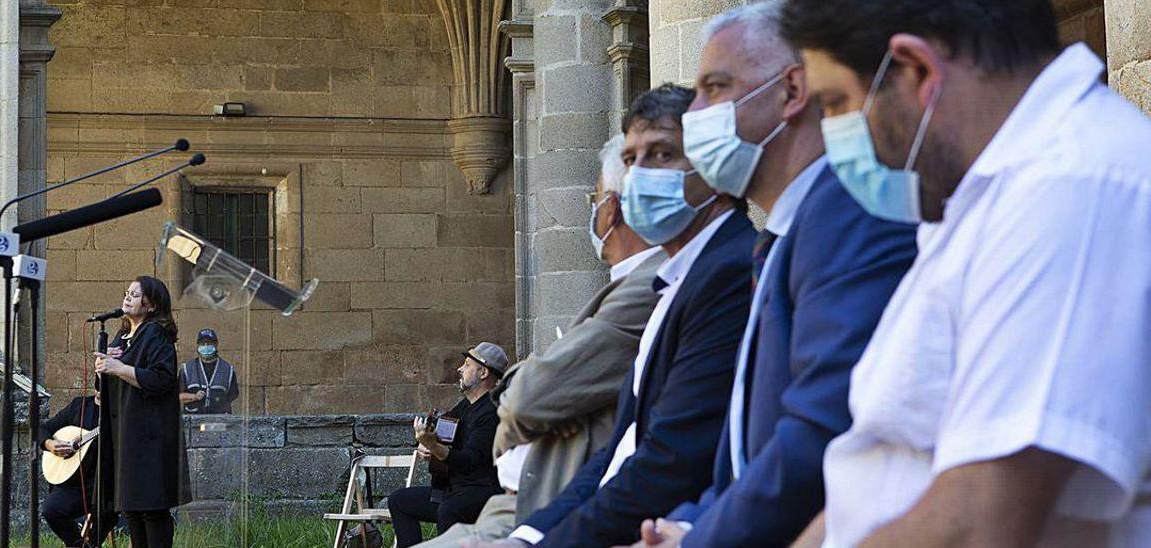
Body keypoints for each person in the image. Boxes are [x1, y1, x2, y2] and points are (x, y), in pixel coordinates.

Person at [777, 1, 1151, 546]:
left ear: (918, 70)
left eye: (836, 103)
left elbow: (977, 520)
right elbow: (884, 475)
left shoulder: (1072, 188)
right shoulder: (981, 197)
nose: (831, 134)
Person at [629, 4, 918, 547]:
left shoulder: (846, 215)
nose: (696, 113)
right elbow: (744, 452)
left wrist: (699, 538)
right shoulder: (784, 236)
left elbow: (818, 435)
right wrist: (689, 522)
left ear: (790, 92)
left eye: (715, 87)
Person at [479, 83, 755, 547]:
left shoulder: (728, 271)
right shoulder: (677, 279)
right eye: (631, 160)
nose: (638, 178)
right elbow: (615, 454)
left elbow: (670, 461)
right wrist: (527, 539)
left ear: (714, 170)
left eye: (663, 154)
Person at [410, 135, 666, 548]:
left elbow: (523, 400)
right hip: (519, 500)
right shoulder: (461, 405)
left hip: (535, 500)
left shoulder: (645, 289)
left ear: (612, 208)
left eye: (594, 199)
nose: (462, 368)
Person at [93, 276, 185, 548]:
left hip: (149, 437)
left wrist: (118, 368)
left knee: (150, 508)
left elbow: (162, 378)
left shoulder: (155, 333)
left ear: (152, 305)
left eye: (136, 294)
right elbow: (109, 385)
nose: (128, 297)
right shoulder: (124, 336)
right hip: (126, 435)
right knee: (131, 508)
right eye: (127, 292)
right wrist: (105, 367)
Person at [387, 343, 507, 547]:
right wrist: (427, 445)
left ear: (484, 372)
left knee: (449, 510)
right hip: (454, 490)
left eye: (467, 365)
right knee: (399, 501)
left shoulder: (491, 412)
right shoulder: (465, 406)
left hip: (483, 493)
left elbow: (469, 461)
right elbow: (438, 433)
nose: (460, 369)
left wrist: (434, 447)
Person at [40, 392, 116, 547]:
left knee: (109, 510)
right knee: (51, 509)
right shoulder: (79, 406)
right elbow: (42, 429)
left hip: (107, 485)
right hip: (75, 485)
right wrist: (49, 444)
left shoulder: (121, 411)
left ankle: (91, 544)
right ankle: (79, 545)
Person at [178, 328, 239, 414]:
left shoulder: (228, 369)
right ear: (198, 346)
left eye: (209, 343)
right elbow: (178, 395)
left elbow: (233, 395)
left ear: (216, 345)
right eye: (203, 343)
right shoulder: (187, 369)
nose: (206, 346)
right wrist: (194, 397)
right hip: (193, 419)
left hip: (219, 421)